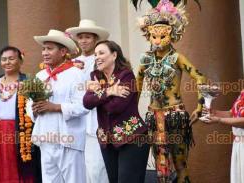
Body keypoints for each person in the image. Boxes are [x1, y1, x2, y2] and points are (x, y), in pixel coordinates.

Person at [135, 0, 206, 182]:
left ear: (172, 34)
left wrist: (200, 106)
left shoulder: (177, 58)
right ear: (148, 35)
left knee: (180, 163)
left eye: (162, 36)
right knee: (160, 165)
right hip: (153, 116)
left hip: (175, 116)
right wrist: (134, 114)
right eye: (154, 36)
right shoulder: (145, 60)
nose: (158, 40)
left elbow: (201, 78)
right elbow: (137, 86)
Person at [83, 40, 150, 183]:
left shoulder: (126, 76)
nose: (97, 57)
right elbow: (87, 102)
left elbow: (114, 107)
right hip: (107, 141)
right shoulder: (95, 76)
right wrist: (109, 92)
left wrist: (98, 94)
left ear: (114, 55)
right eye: (95, 54)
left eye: (101, 53)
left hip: (132, 139)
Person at [26, 29, 88, 183]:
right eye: (43, 49)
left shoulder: (76, 74)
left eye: (50, 48)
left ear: (63, 51)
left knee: (75, 180)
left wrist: (55, 107)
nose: (45, 52)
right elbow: (29, 104)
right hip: (46, 137)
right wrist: (33, 109)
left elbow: (84, 105)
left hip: (69, 139)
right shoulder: (40, 75)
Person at [0, 46, 42, 182]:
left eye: (11, 58)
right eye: (4, 59)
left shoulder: (28, 83)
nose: (7, 62)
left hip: (19, 132)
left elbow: (36, 109)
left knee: (19, 167)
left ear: (20, 61)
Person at [66, 19, 109, 183]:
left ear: (95, 39)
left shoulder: (103, 61)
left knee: (96, 168)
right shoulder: (70, 64)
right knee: (79, 169)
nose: (83, 41)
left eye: (88, 37)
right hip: (76, 121)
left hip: (95, 119)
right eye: (80, 37)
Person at [203, 90, 244, 183]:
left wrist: (219, 120)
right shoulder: (243, 93)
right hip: (238, 145)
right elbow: (231, 113)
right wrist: (214, 112)